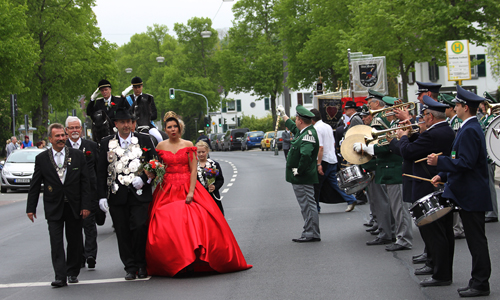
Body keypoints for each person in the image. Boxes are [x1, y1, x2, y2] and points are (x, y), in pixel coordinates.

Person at [145, 111, 252, 276]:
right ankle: (176, 260)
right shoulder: (160, 147)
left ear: (179, 128)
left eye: (175, 126)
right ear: (165, 130)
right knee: (167, 222)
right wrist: (153, 171)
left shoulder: (188, 144)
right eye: (169, 127)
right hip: (166, 188)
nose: (173, 129)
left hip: (187, 186)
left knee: (195, 220)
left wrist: (191, 191)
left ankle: (195, 260)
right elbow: (158, 166)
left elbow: (194, 169)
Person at [428, 85, 492, 297]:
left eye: (456, 104)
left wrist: (440, 162)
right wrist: (443, 174)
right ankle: (477, 280)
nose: (454, 107)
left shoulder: (471, 129)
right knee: (475, 241)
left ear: (465, 107)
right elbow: (460, 159)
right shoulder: (468, 127)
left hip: (472, 194)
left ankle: (481, 283)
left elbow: (466, 162)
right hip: (469, 192)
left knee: (476, 241)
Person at [397, 96, 455, 284]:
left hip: (428, 185)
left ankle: (441, 274)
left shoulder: (433, 134)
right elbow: (420, 146)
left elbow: (409, 152)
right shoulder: (444, 130)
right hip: (438, 184)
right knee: (443, 232)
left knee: (434, 233)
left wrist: (403, 137)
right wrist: (413, 135)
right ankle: (437, 266)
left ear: (430, 116)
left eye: (423, 116)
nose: (421, 119)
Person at [26, 123, 91, 288]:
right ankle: (60, 276)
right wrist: (30, 208)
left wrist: (86, 205)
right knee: (56, 242)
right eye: (57, 136)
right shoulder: (41, 159)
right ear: (50, 139)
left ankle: (72, 272)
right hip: (53, 206)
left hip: (74, 206)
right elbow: (35, 185)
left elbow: (85, 183)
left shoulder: (77, 156)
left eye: (63, 135)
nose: (61, 139)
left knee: (74, 241)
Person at [97, 107, 157, 280]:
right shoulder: (106, 143)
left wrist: (145, 179)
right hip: (117, 195)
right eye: (122, 122)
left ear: (133, 124)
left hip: (139, 193)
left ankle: (141, 263)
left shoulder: (144, 139)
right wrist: (101, 196)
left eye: (128, 122)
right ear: (116, 124)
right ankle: (130, 267)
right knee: (122, 232)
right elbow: (100, 171)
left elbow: (155, 163)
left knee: (139, 227)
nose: (125, 125)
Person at [277, 105, 320, 243]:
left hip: (303, 176)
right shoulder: (304, 131)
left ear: (300, 120)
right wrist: (284, 115)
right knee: (305, 205)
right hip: (301, 176)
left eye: (296, 119)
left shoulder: (307, 135)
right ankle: (309, 230)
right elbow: (294, 128)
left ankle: (311, 232)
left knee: (307, 204)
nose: (295, 121)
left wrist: (299, 170)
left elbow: (306, 155)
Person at [65, 116, 99, 269]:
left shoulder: (91, 146)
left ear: (81, 129)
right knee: (74, 228)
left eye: (76, 128)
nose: (74, 131)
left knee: (89, 225)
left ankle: (90, 254)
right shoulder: (62, 147)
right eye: (71, 128)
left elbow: (99, 169)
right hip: (71, 195)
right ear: (66, 130)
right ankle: (79, 256)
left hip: (89, 192)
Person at [310, 108, 357, 213]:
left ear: (312, 119)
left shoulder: (316, 129)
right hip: (332, 158)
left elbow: (320, 147)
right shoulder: (327, 126)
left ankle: (315, 207)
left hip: (324, 159)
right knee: (335, 183)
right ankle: (350, 199)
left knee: (316, 185)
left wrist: (318, 163)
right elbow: (334, 143)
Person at [122, 76, 163, 143]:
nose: (137, 89)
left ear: (142, 86)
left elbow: (154, 114)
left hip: (147, 125)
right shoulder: (128, 99)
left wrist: (145, 118)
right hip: (132, 126)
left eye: (139, 87)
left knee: (159, 138)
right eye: (135, 87)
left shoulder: (149, 98)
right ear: (132, 88)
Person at [196, 141, 225, 215]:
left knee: (216, 215)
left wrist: (215, 187)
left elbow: (220, 179)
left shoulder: (214, 164)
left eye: (203, 152)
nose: (201, 154)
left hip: (213, 196)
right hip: (200, 197)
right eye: (199, 152)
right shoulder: (194, 166)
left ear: (207, 151)